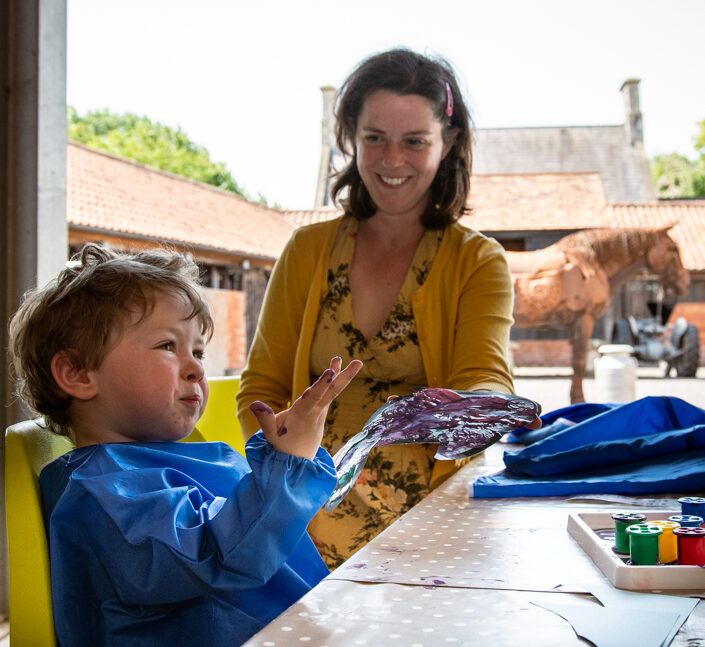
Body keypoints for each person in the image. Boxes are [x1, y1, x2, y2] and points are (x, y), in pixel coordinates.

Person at [237, 48, 518, 568]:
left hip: (427, 527)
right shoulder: (306, 250)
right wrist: (283, 481)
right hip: (297, 522)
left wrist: (483, 410)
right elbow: (261, 389)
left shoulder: (478, 262)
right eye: (375, 139)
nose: (392, 160)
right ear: (351, 138)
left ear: (449, 142)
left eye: (414, 141)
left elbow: (484, 383)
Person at [8, 243, 362, 647]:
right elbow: (220, 557)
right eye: (167, 346)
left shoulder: (151, 464)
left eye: (197, 350)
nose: (196, 368)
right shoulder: (105, 493)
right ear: (77, 373)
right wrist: (286, 463)